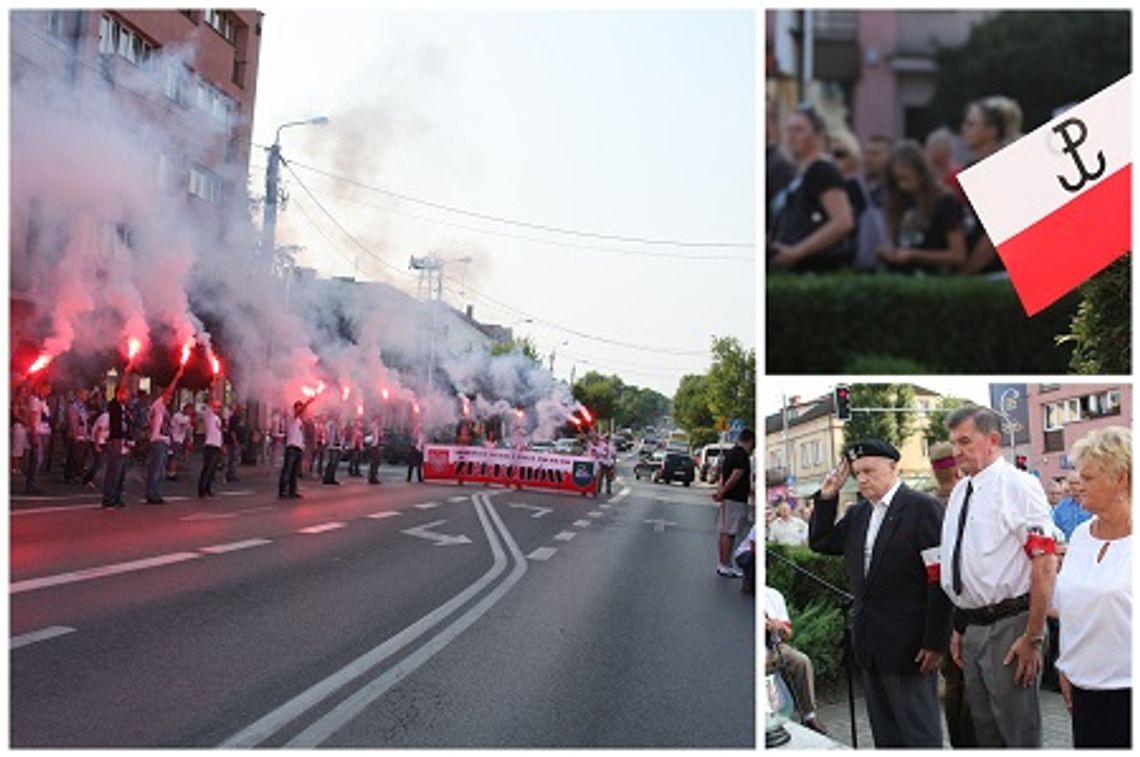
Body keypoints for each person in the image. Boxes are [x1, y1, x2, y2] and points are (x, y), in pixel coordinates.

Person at [809, 439, 952, 747]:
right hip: (871, 643)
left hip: (911, 646)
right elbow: (821, 542)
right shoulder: (860, 513)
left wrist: (935, 640)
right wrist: (827, 497)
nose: (861, 479)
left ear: (892, 467)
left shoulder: (920, 508)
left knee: (918, 733)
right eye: (857, 473)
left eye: (869, 471)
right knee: (885, 734)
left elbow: (938, 579)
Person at [940, 405, 1057, 747]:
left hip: (1011, 626)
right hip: (973, 626)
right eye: (953, 443)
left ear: (993, 440)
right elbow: (962, 561)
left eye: (965, 441)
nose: (957, 452)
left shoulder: (1019, 486)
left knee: (1016, 732)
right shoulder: (962, 490)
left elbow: (1045, 562)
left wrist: (1033, 636)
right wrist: (961, 624)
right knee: (986, 732)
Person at [1054, 426, 1131, 748]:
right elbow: (1072, 606)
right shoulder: (1082, 535)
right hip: (1084, 690)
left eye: (1088, 479)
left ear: (1121, 479)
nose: (1077, 488)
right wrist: (1066, 665)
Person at [928, 439, 976, 747]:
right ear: (958, 470)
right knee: (972, 684)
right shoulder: (968, 502)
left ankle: (959, 744)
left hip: (939, 611)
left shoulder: (924, 504)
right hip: (969, 610)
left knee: (953, 682)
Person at [768, 103, 855, 272]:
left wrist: (797, 252)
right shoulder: (797, 174)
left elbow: (843, 221)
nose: (792, 137)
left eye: (799, 130)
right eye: (789, 130)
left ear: (818, 135)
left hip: (815, 267)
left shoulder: (822, 171)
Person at [877, 140, 967, 274]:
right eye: (897, 181)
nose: (902, 186)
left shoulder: (945, 202)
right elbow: (897, 241)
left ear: (920, 173)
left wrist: (915, 255)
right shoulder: (901, 201)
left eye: (905, 179)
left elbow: (957, 255)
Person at [958, 96, 1021, 275]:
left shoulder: (1003, 170)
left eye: (971, 124)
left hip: (998, 275)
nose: (964, 129)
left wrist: (963, 274)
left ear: (992, 131)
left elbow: (993, 238)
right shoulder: (971, 168)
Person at [765, 584, 828, 735]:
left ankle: (809, 716)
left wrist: (778, 627)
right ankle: (768, 717)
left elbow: (788, 634)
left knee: (801, 661)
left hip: (774, 646)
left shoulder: (773, 595)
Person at [712, 428, 754, 577]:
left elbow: (723, 477)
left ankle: (725, 563)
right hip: (734, 498)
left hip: (729, 498)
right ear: (749, 441)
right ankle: (724, 564)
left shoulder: (731, 453)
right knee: (728, 533)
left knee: (726, 531)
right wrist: (722, 492)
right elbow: (735, 476)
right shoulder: (741, 455)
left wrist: (720, 492)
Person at [145, 379, 178, 504]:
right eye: (169, 396)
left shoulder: (163, 408)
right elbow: (169, 390)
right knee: (156, 469)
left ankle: (155, 493)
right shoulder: (158, 405)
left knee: (159, 470)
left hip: (164, 442)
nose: (170, 399)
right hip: (157, 440)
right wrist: (176, 377)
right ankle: (151, 494)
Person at [279, 396, 317, 499]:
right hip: (291, 447)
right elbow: (299, 412)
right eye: (300, 408)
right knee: (287, 470)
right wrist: (308, 402)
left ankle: (292, 490)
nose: (302, 411)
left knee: (295, 471)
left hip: (298, 447)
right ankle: (282, 490)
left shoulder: (300, 421)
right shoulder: (291, 417)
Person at [102, 383, 132, 508]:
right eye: (126, 394)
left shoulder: (125, 408)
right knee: (114, 471)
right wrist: (127, 370)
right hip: (116, 440)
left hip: (124, 441)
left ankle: (117, 497)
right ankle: (109, 498)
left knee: (122, 472)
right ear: (119, 393)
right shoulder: (114, 406)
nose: (128, 397)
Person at [24, 381, 52, 495]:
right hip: (38, 433)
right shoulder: (35, 400)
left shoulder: (43, 401)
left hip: (43, 432)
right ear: (41, 387)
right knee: (36, 460)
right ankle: (31, 485)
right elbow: (32, 418)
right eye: (47, 388)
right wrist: (34, 434)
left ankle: (33, 484)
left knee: (38, 460)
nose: (49, 391)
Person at [1052, 470, 1092, 541]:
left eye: (1077, 483)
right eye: (1071, 483)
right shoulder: (1061, 508)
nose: (1074, 486)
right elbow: (1055, 530)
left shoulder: (1093, 505)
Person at [63, 388, 91, 484]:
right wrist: (74, 434)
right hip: (75, 433)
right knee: (73, 455)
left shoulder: (83, 406)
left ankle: (75, 474)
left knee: (79, 456)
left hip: (82, 434)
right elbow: (73, 420)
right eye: (84, 394)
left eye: (87, 395)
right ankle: (69, 476)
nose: (86, 397)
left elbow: (84, 421)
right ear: (79, 394)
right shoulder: (74, 406)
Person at [198, 399, 224, 498]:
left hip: (216, 445)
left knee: (212, 470)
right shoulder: (209, 416)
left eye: (219, 407)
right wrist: (212, 388)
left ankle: (208, 489)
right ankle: (202, 490)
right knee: (207, 469)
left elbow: (219, 433)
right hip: (210, 445)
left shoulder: (217, 418)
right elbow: (209, 406)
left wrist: (221, 445)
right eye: (216, 407)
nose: (218, 409)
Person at [168, 403, 192, 481]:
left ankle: (172, 471)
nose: (190, 412)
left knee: (176, 456)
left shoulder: (188, 417)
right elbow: (179, 425)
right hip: (175, 438)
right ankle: (171, 473)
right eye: (189, 410)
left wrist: (188, 439)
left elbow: (188, 429)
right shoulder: (177, 416)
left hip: (181, 439)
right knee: (173, 456)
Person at [225, 404, 245, 483]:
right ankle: (231, 475)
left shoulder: (240, 418)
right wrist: (235, 441)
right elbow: (232, 431)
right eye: (241, 409)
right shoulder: (234, 418)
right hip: (234, 442)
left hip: (239, 441)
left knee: (235, 458)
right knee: (233, 458)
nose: (243, 411)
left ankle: (232, 473)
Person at [734, 524, 756, 595]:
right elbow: (754, 548)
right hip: (744, 554)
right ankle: (747, 582)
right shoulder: (757, 528)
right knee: (753, 557)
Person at [322, 413, 342, 485]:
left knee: (335, 463)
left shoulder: (337, 424)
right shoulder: (330, 424)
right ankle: (327, 478)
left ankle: (332, 478)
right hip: (331, 445)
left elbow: (339, 434)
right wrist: (326, 441)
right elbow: (326, 432)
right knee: (331, 462)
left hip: (337, 446)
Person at [367, 412, 383, 485]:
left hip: (377, 445)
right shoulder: (373, 425)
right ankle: (372, 477)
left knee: (377, 462)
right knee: (374, 461)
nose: (380, 419)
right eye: (379, 418)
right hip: (373, 445)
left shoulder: (378, 426)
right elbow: (369, 435)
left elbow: (380, 436)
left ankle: (374, 476)